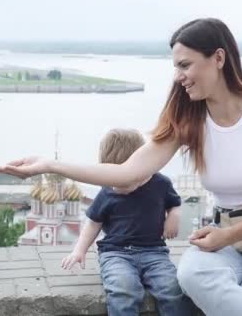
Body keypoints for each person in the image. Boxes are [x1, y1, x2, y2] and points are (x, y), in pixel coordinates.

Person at [0, 18, 242, 316]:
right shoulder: (190, 119)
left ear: (218, 58)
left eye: (185, 65)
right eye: (176, 67)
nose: (178, 76)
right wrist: (49, 165)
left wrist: (227, 237)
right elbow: (126, 173)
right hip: (227, 243)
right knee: (190, 275)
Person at [60, 128, 191, 316]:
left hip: (154, 252)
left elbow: (175, 203)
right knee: (124, 290)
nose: (116, 185)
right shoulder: (106, 191)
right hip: (115, 253)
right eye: (113, 178)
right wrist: (79, 250)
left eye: (123, 179)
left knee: (172, 289)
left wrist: (174, 217)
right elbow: (93, 223)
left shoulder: (161, 184)